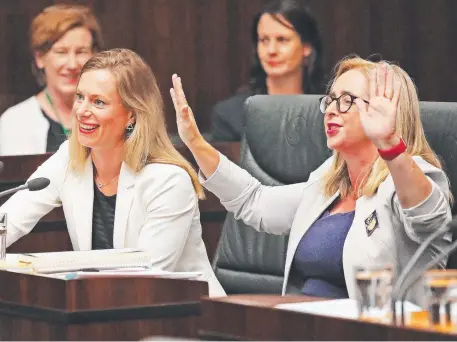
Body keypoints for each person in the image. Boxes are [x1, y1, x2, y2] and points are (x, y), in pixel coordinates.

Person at [171, 56, 452, 304]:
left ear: (388, 112)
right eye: (330, 100)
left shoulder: (408, 175)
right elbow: (255, 202)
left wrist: (391, 145)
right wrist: (196, 143)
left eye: (347, 101)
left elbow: (431, 222)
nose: (331, 109)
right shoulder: (328, 182)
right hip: (302, 327)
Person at [1, 48, 225, 297]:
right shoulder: (70, 158)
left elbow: (148, 277)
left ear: (132, 114)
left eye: (98, 102)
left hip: (184, 317)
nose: (82, 111)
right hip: (106, 312)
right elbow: (11, 218)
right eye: (80, 97)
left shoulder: (168, 180)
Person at [210, 0, 324, 142]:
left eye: (282, 40)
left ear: (306, 47)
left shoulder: (330, 111)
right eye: (264, 40)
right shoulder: (231, 115)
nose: (271, 50)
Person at [0, 4, 104, 156]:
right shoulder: (15, 122)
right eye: (61, 52)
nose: (72, 64)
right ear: (40, 58)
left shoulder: (112, 113)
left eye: (81, 51)